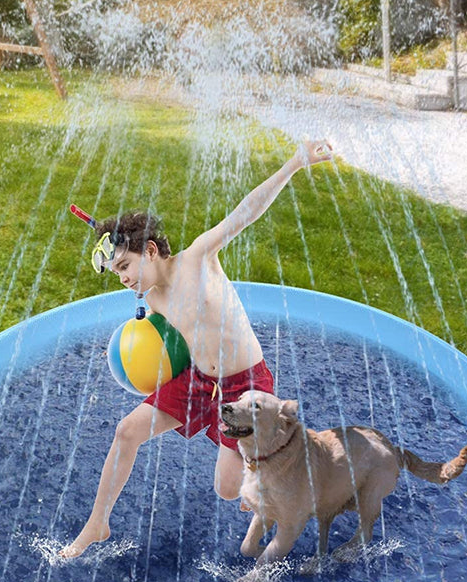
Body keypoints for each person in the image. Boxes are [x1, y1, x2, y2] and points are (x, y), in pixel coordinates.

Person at [59, 140, 334, 558]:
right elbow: (162, 341)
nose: (122, 279)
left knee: (227, 489)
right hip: (199, 380)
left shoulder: (198, 258)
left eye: (124, 267)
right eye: (116, 272)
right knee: (126, 432)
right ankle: (98, 523)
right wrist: (125, 355)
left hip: (245, 384)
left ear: (149, 250)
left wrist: (295, 163)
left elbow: (248, 211)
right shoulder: (151, 298)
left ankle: (294, 465)